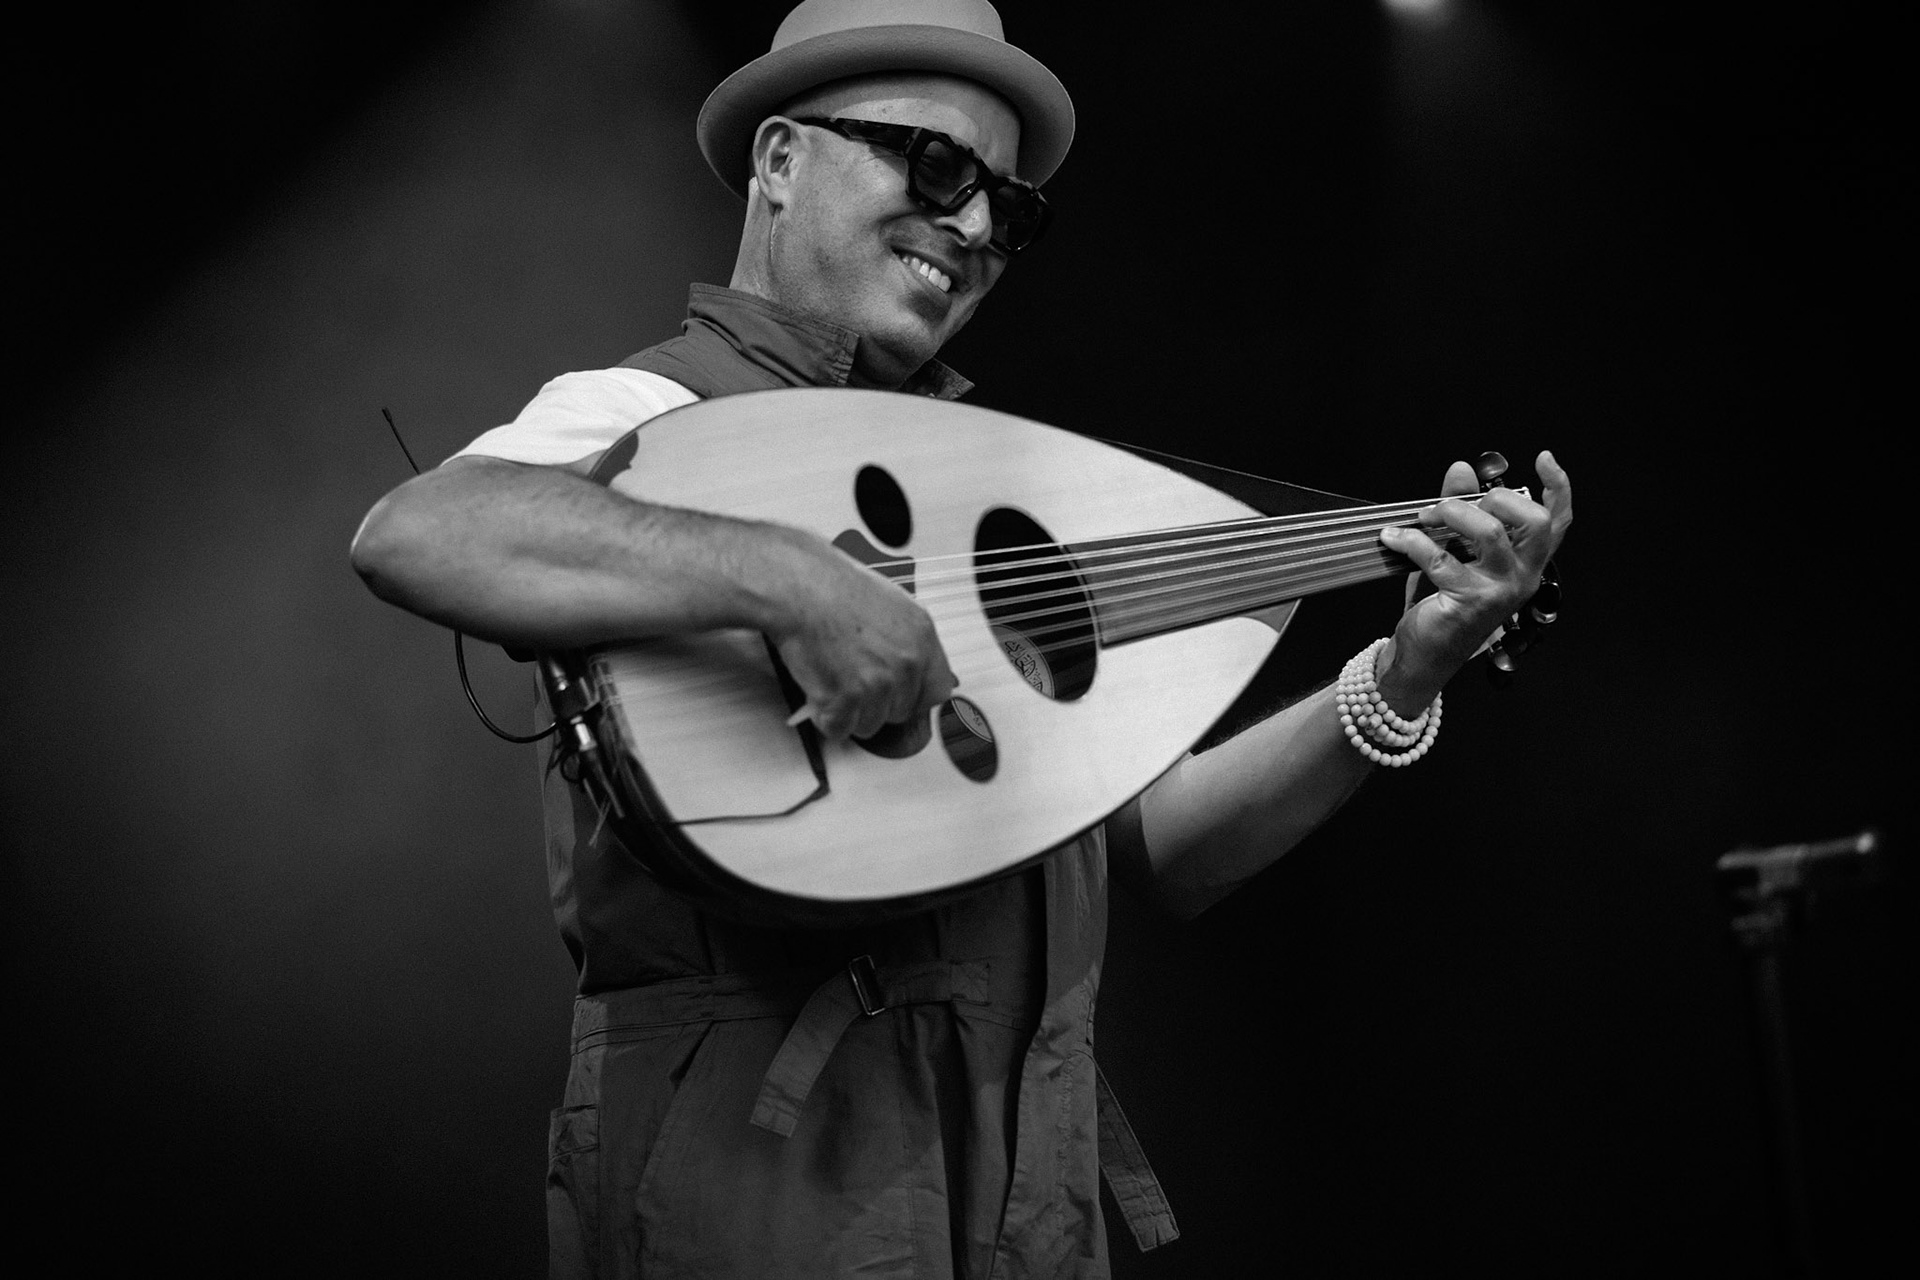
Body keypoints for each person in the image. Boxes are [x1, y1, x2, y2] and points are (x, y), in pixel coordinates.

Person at [350, 2, 1572, 1276]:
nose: (979, 225)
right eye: (935, 166)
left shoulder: (977, 505)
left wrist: (1407, 667)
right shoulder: (652, 408)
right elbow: (420, 533)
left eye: (1010, 204)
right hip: (760, 1173)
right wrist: (788, 579)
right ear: (780, 160)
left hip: (1019, 1179)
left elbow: (1155, 852)